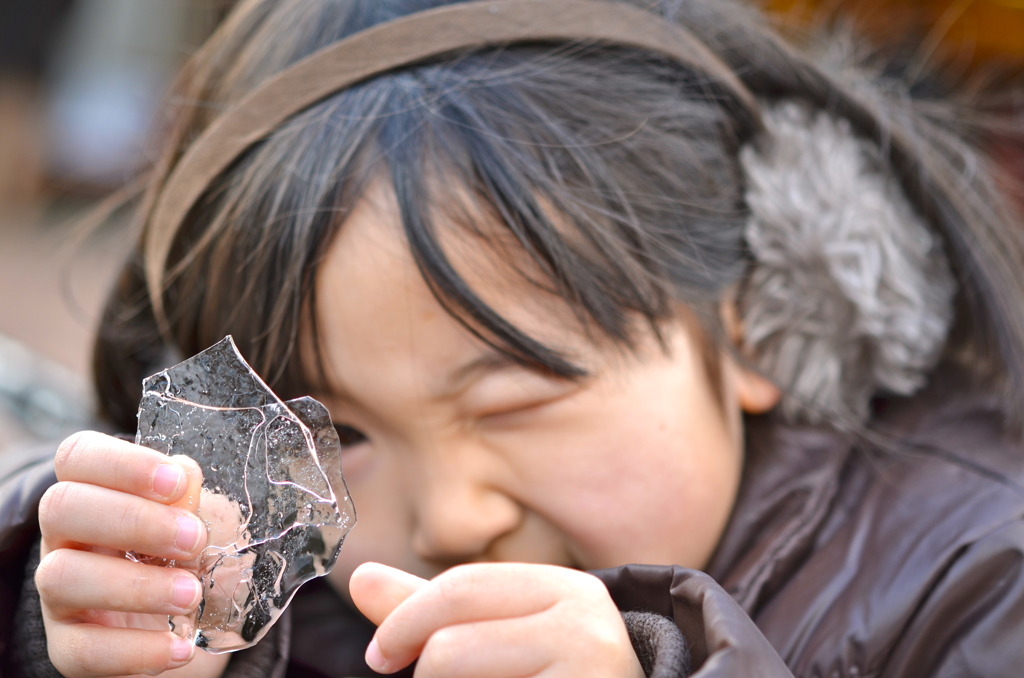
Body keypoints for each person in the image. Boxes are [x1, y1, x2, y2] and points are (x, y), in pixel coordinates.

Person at [2, 0, 1024, 676]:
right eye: (333, 435)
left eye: (513, 403)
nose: (451, 519)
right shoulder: (290, 607)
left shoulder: (978, 585)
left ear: (754, 315)